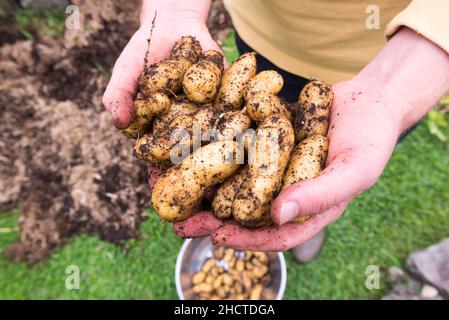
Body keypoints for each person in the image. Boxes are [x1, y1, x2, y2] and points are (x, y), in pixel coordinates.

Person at [103, 0, 449, 262]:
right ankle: (300, 206)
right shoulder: (229, 108)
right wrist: (176, 10)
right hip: (261, 36)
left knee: (331, 156)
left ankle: (306, 210)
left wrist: (395, 91)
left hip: (387, 62)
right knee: (275, 132)